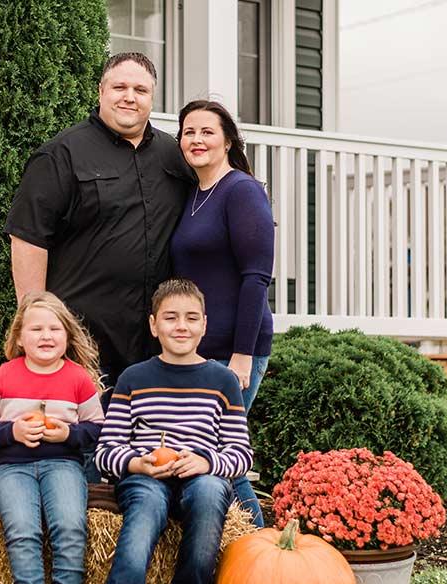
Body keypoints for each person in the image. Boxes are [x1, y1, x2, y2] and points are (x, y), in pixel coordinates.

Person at [5, 52, 195, 397]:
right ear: (100, 92)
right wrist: (34, 322)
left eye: (140, 89)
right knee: (84, 444)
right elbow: (29, 238)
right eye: (119, 86)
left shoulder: (175, 156)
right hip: (84, 341)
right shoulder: (61, 155)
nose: (129, 96)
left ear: (152, 98)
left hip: (157, 343)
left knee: (150, 448)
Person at [96, 278, 253, 584]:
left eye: (191, 318)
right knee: (146, 507)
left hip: (201, 478)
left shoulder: (223, 381)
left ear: (204, 325)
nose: (182, 326)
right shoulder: (133, 378)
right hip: (146, 477)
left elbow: (241, 453)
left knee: (210, 491)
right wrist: (136, 463)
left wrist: (207, 462)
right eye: (171, 317)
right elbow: (106, 450)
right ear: (154, 325)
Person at [170, 100, 274, 527]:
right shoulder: (194, 193)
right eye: (188, 132)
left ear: (227, 140)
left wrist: (243, 355)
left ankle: (264, 555)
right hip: (197, 351)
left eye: (206, 131)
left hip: (235, 350)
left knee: (219, 458)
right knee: (205, 455)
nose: (196, 140)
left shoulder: (242, 191)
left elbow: (256, 277)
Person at [0, 292, 105, 584]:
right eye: (36, 329)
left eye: (54, 329)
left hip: (62, 465)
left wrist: (68, 433)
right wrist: (11, 431)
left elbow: (97, 427)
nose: (46, 336)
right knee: (23, 530)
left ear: (66, 336)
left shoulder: (77, 378)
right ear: (18, 338)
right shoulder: (2, 377)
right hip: (11, 469)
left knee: (69, 527)